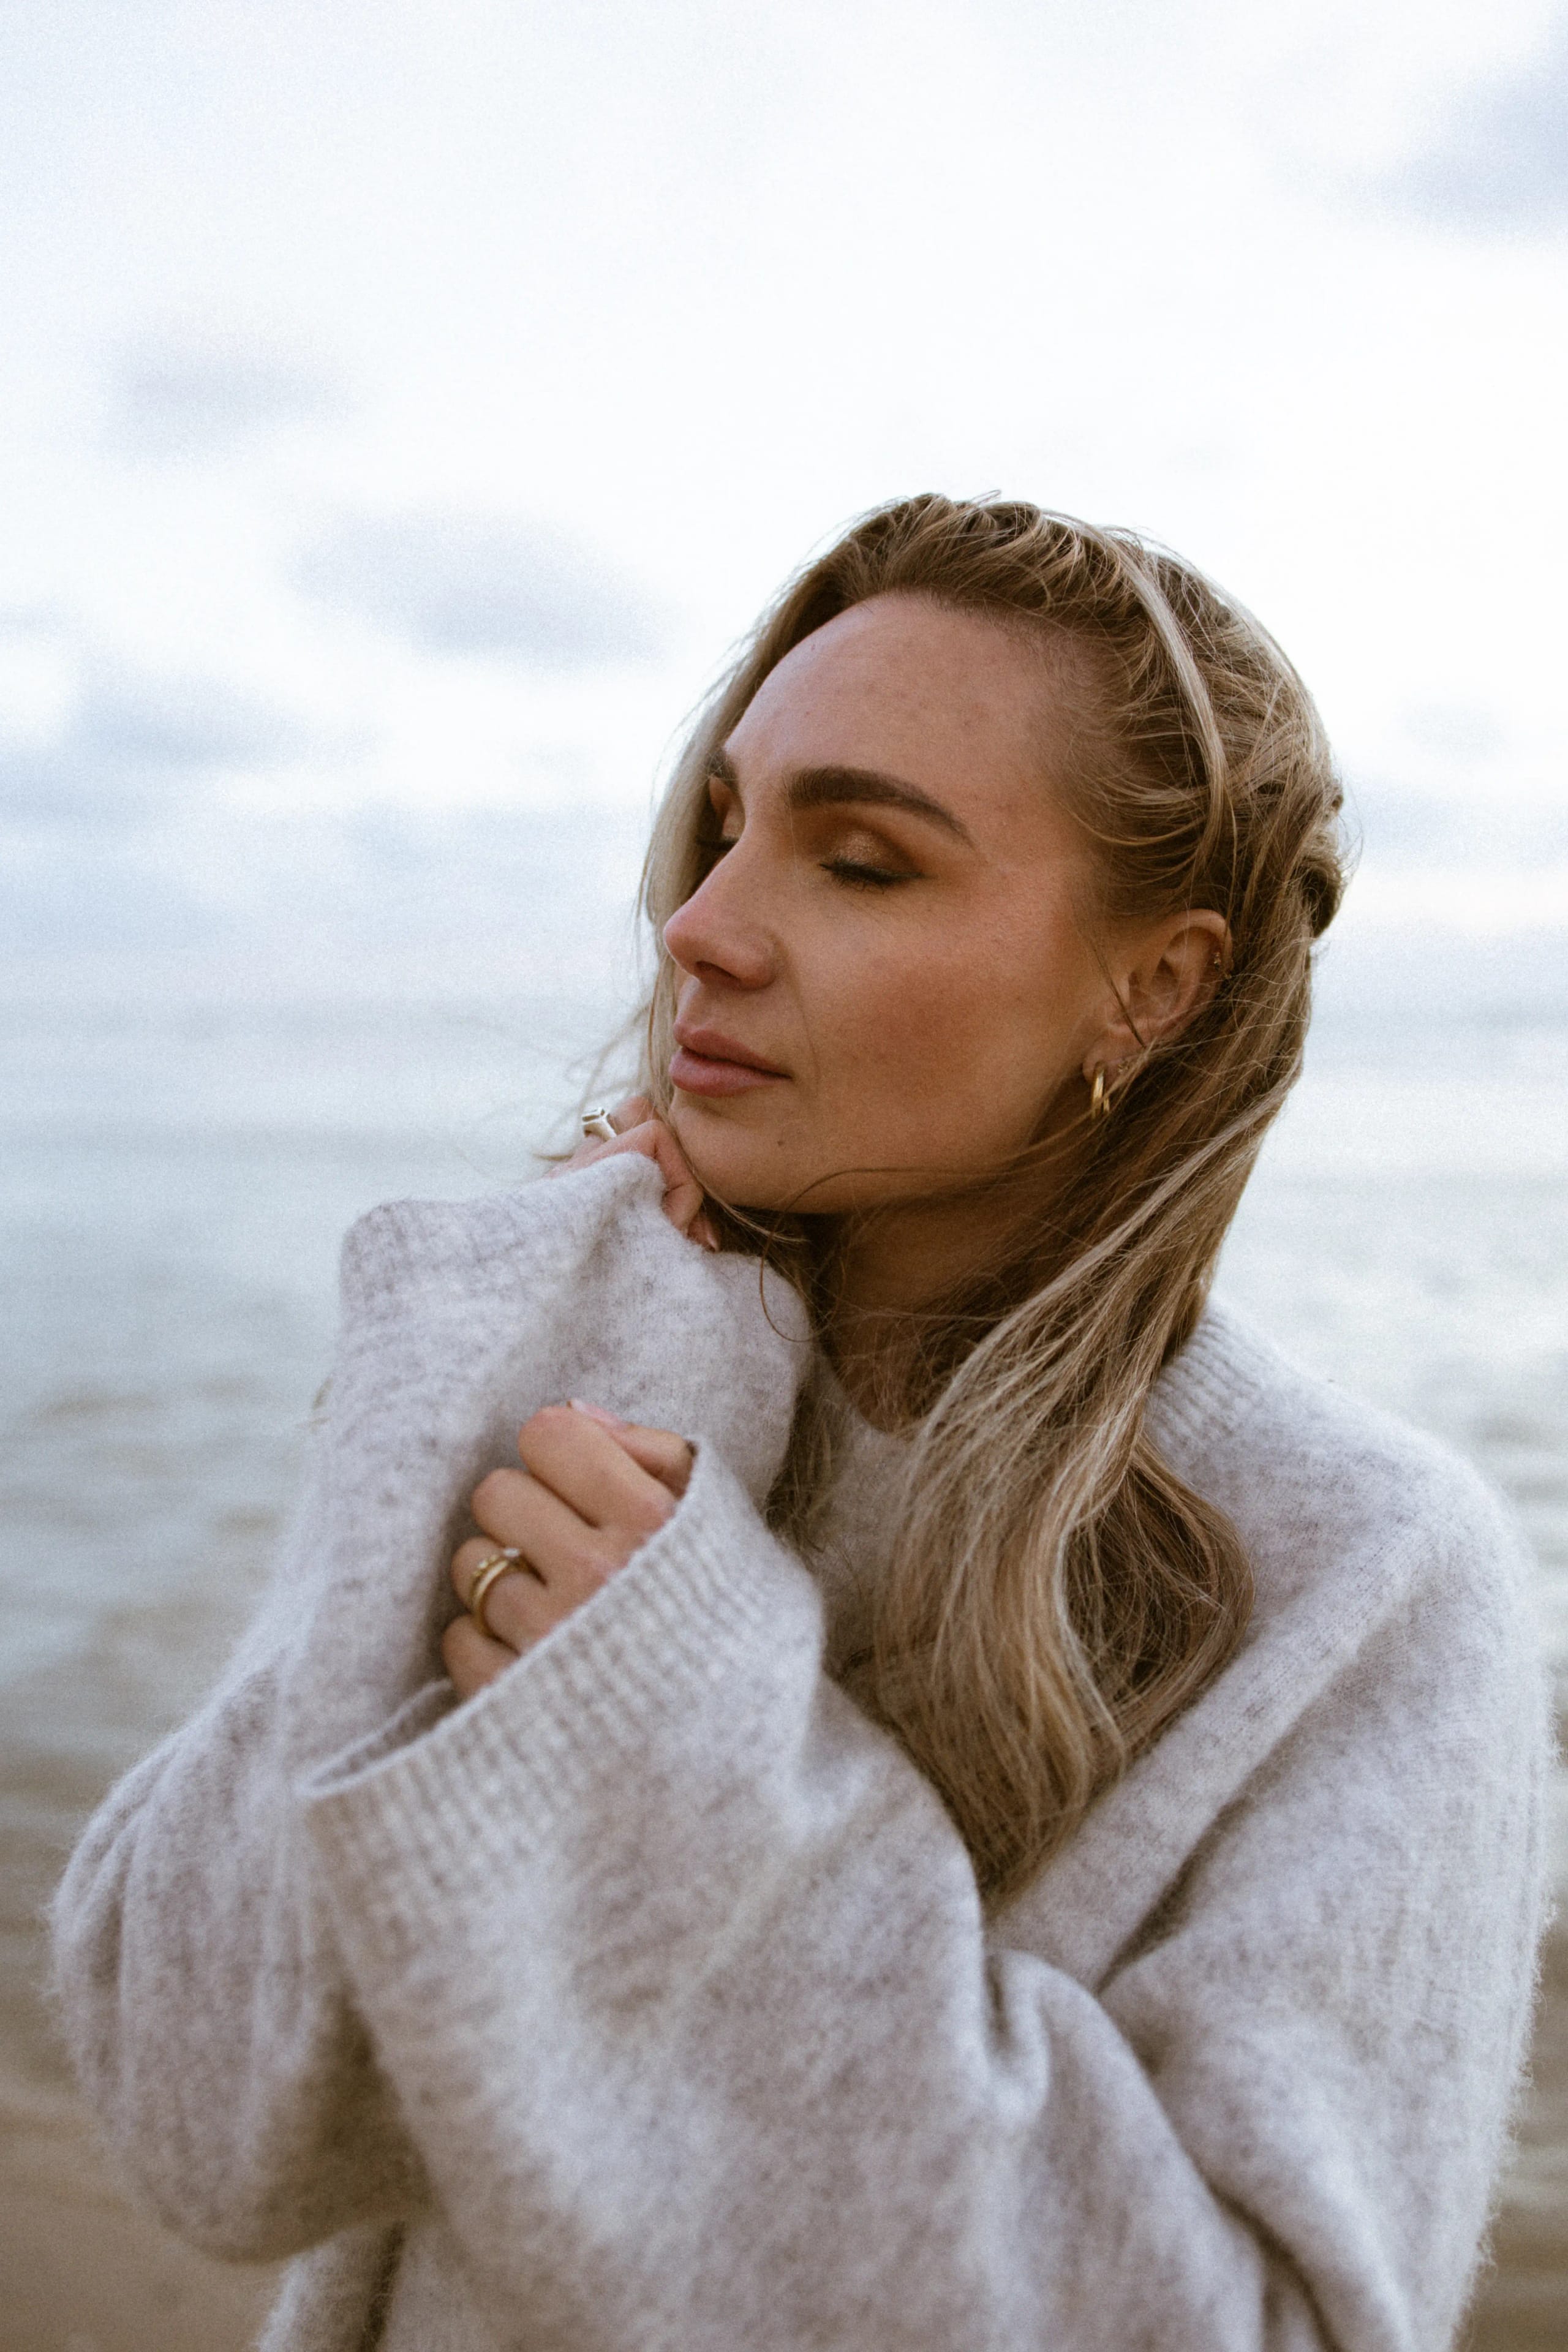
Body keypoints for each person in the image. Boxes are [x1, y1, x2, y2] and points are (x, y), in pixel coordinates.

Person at [53, 497, 1548, 2351]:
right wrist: (522, 1358)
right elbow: (211, 2123)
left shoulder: (1366, 1578)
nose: (699, 929)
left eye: (858, 863)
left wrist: (696, 1747)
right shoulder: (580, 1383)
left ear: (1153, 983)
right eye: (721, 830)